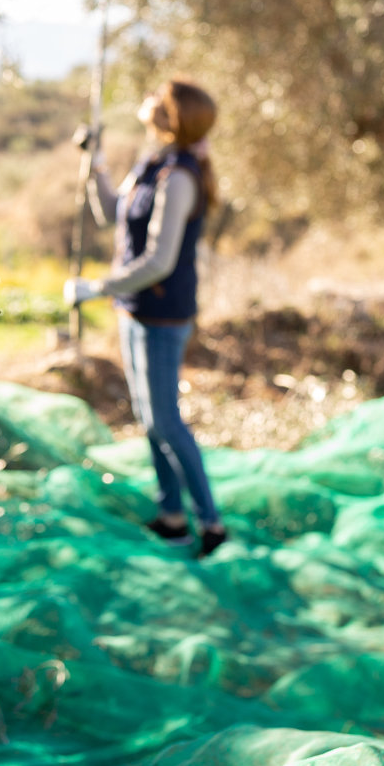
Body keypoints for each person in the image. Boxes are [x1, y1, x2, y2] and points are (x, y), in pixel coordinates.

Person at [63, 80, 227, 559]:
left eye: (160, 95)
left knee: (166, 421)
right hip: (135, 308)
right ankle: (172, 517)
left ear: (172, 115)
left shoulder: (180, 177)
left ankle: (211, 526)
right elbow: (114, 212)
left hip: (162, 313)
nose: (150, 97)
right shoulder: (153, 162)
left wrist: (97, 288)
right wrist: (94, 163)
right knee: (148, 417)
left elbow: (160, 260)